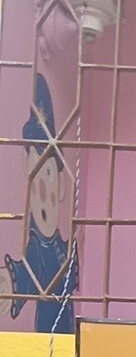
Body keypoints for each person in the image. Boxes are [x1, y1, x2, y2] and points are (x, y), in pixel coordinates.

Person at [4, 73, 77, 333]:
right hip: (46, 335)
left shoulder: (61, 247)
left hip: (67, 332)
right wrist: (10, 282)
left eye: (47, 173)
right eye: (36, 174)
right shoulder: (37, 247)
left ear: (61, 184)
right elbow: (29, 271)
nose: (43, 189)